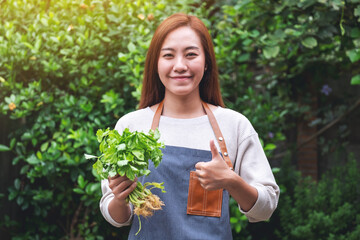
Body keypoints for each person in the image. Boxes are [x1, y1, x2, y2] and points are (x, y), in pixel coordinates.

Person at [100, 13, 280, 239]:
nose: (180, 65)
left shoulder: (234, 125)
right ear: (156, 63)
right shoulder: (131, 126)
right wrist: (119, 196)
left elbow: (266, 209)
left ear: (206, 63)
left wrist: (231, 181)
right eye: (168, 55)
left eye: (191, 54)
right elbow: (117, 218)